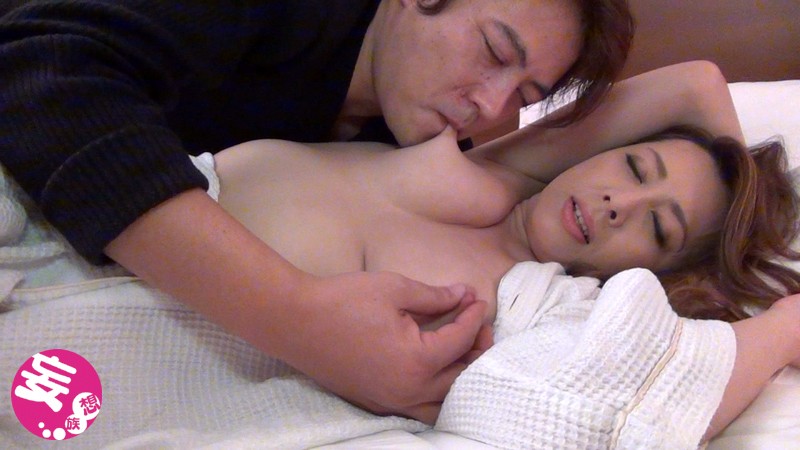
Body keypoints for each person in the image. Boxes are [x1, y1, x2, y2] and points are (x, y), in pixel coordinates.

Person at [0, 0, 634, 418]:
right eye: (494, 51)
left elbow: (664, 107)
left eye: (524, 95)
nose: (491, 107)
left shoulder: (401, 138)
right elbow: (40, 74)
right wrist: (294, 316)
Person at [204, 60, 800, 433]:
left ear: (658, 272)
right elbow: (698, 83)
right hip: (164, 213)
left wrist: (775, 319)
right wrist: (746, 209)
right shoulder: (497, 169)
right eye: (634, 168)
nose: (620, 203)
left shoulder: (539, 311)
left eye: (659, 229)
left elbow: (648, 399)